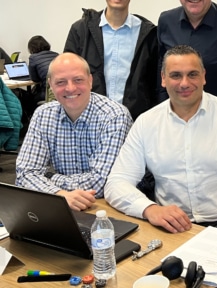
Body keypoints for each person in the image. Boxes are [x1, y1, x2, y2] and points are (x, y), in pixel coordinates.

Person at [105, 45, 217, 241]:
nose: (184, 83)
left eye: (192, 74)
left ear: (203, 76)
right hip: (170, 223)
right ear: (163, 79)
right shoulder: (146, 123)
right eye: (175, 75)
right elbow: (117, 183)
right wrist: (149, 209)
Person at [16, 53, 133, 211]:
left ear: (90, 81)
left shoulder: (115, 116)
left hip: (106, 207)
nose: (70, 88)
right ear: (50, 84)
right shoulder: (42, 115)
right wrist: (59, 194)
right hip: (61, 204)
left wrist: (49, 177)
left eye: (78, 80)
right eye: (61, 82)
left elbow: (100, 183)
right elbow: (24, 174)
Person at [64, 0, 158, 120]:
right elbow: (67, 76)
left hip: (135, 121)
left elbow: (155, 82)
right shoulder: (81, 30)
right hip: (90, 120)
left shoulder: (148, 33)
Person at [27, 35, 58, 103]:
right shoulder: (56, 54)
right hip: (60, 89)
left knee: (29, 98)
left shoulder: (33, 57)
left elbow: (34, 79)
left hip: (48, 92)